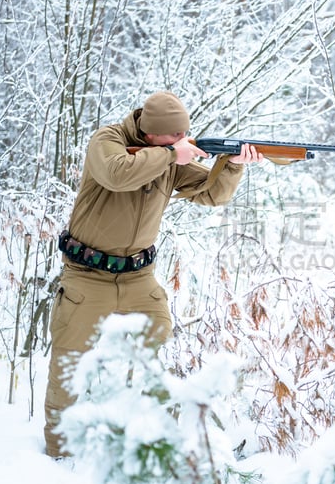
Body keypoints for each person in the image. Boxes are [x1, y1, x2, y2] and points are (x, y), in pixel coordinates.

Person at [43, 91, 263, 458]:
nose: (182, 142)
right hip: (86, 274)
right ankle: (59, 449)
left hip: (138, 278)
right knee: (69, 359)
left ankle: (148, 435)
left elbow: (211, 195)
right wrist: (171, 155)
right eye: (173, 136)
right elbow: (116, 174)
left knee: (161, 343)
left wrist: (234, 164)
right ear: (148, 133)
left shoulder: (173, 156)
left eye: (184, 135)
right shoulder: (108, 141)